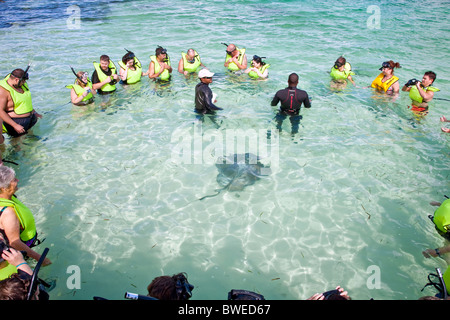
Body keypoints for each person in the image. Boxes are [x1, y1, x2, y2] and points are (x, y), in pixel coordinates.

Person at [0, 166, 51, 266]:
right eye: (13, 180)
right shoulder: (7, 212)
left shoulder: (8, 198)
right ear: (4, 188)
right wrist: (40, 259)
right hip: (22, 252)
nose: (17, 180)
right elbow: (15, 242)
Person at [0, 68, 42, 138]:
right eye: (23, 81)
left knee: (29, 139)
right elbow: (0, 111)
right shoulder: (3, 91)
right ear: (16, 79)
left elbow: (25, 101)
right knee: (18, 144)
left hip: (30, 119)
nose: (24, 83)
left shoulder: (21, 85)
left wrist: (35, 113)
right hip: (17, 122)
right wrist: (15, 125)